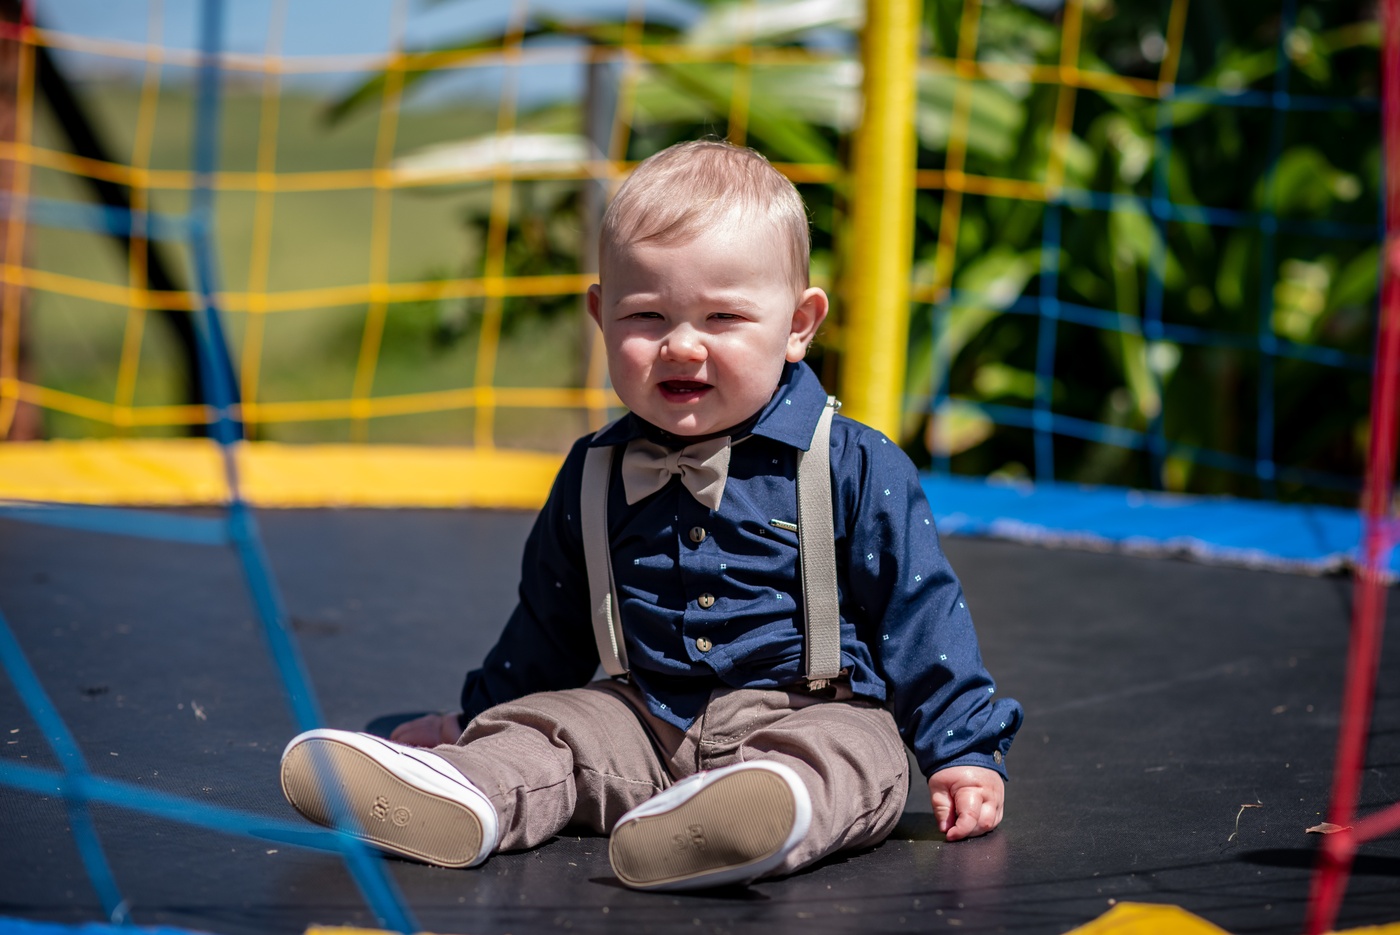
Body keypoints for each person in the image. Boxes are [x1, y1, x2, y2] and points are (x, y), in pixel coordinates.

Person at [279, 139, 1023, 892]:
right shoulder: (595, 471)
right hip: (643, 721)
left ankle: (757, 818)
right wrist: (477, 718)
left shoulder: (850, 463)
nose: (682, 345)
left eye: (723, 316)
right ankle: (471, 789)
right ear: (601, 316)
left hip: (805, 711)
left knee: (858, 754)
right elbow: (549, 624)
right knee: (551, 729)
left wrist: (963, 749)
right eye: (646, 315)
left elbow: (919, 613)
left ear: (799, 324)